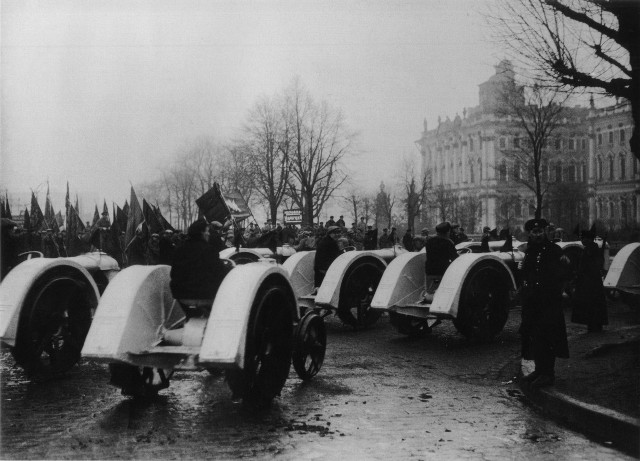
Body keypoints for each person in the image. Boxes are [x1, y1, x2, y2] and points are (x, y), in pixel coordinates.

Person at [519, 218, 570, 388]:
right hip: (533, 302)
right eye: (534, 232)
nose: (538, 234)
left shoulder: (554, 250)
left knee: (548, 336)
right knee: (535, 336)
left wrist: (557, 291)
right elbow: (525, 273)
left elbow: (564, 272)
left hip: (549, 302)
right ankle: (539, 370)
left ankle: (548, 373)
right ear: (530, 234)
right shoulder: (529, 251)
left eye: (540, 231)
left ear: (545, 232)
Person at [170, 219, 227, 305]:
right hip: (205, 296)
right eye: (207, 231)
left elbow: (173, 273)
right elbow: (219, 272)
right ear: (202, 233)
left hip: (181, 296)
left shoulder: (179, 250)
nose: (209, 234)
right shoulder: (209, 250)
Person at [571, 226, 607, 332]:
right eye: (582, 239)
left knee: (592, 304)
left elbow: (595, 264)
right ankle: (593, 325)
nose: (582, 241)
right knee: (591, 304)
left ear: (590, 239)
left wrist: (581, 274)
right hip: (589, 281)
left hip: (591, 282)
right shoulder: (589, 248)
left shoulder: (591, 249)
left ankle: (595, 326)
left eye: (584, 239)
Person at [424, 222, 458, 291]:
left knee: (430, 291)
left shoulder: (429, 241)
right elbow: (455, 258)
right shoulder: (448, 242)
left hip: (429, 271)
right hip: (442, 272)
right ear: (448, 232)